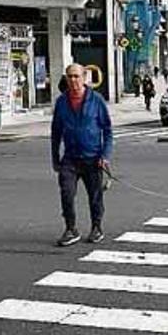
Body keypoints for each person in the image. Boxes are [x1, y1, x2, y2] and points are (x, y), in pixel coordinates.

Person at [51, 63, 113, 247]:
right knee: (66, 194)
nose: (73, 80)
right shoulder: (61, 102)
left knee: (95, 196)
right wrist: (55, 158)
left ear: (85, 77)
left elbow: (108, 130)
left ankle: (96, 227)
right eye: (70, 76)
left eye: (77, 76)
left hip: (92, 157)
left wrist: (105, 155)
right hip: (70, 159)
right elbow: (55, 132)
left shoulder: (97, 100)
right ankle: (71, 229)